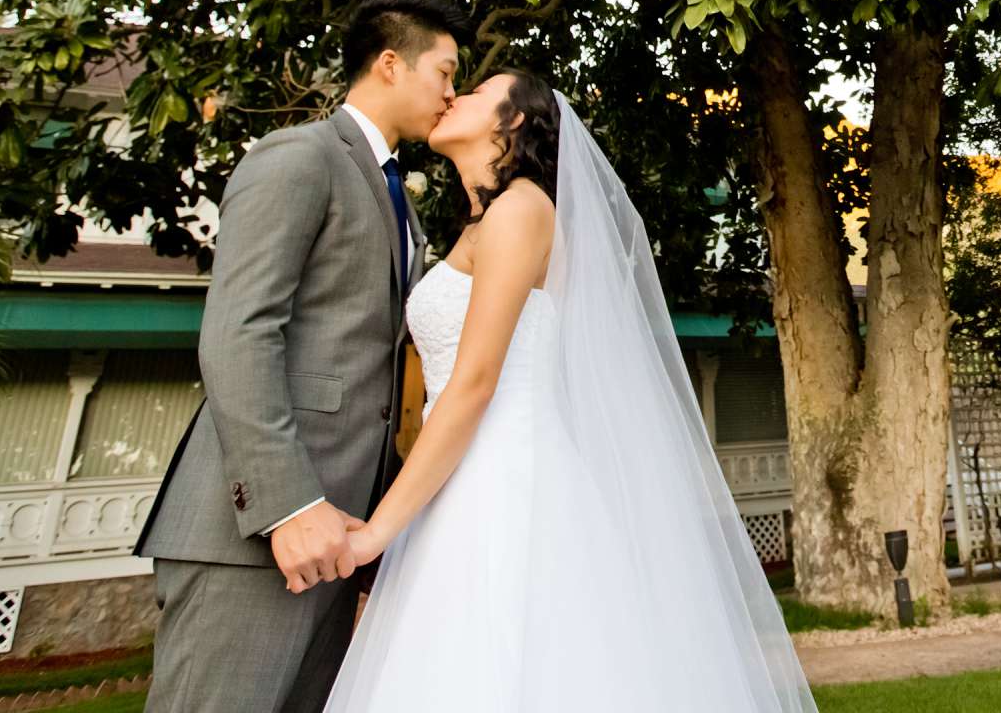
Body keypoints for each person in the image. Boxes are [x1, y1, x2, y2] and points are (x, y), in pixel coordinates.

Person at [320, 69, 817, 712]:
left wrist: (375, 533)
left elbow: (473, 384)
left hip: (506, 482)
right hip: (459, 480)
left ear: (515, 120)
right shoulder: (480, 222)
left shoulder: (523, 208)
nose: (452, 96)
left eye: (472, 92)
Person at [135, 0, 472, 713]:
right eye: (444, 72)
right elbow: (239, 332)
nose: (451, 93)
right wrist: (290, 505)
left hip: (340, 538)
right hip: (259, 533)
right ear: (390, 64)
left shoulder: (401, 201)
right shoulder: (299, 156)